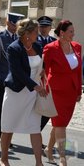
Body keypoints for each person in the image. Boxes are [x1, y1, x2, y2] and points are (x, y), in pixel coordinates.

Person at [0, 19, 47, 166]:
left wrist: (43, 78)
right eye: (35, 32)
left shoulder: (38, 46)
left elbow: (42, 66)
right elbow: (18, 72)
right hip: (16, 92)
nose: (38, 35)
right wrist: (35, 86)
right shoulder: (14, 48)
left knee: (35, 127)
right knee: (8, 127)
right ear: (27, 33)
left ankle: (39, 163)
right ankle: (4, 159)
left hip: (33, 94)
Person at [43, 20, 82, 166]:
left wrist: (78, 91)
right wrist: (44, 88)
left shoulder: (77, 46)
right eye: (71, 31)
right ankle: (63, 159)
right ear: (62, 33)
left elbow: (78, 72)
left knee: (61, 124)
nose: (73, 34)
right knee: (60, 125)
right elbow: (44, 70)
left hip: (71, 92)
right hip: (56, 92)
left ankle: (48, 149)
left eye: (73, 31)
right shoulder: (50, 48)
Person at [0, 12, 24, 139]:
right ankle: (3, 135)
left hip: (15, 81)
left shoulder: (19, 39)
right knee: (2, 106)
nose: (15, 27)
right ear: (8, 23)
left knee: (13, 109)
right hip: (2, 78)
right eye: (14, 24)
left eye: (17, 25)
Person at [36, 16, 57, 148]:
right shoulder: (33, 40)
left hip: (48, 80)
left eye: (46, 26)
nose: (44, 29)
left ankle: (36, 133)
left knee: (46, 110)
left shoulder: (54, 42)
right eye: (41, 26)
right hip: (35, 79)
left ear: (50, 28)